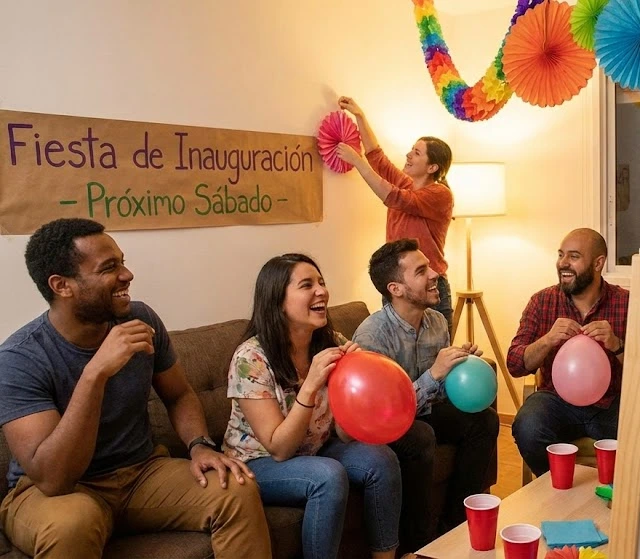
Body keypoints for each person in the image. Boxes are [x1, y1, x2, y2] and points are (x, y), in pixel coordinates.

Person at [0, 218, 271, 559]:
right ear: (62, 285)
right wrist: (94, 373)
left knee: (236, 488)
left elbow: (179, 395)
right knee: (73, 523)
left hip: (140, 473)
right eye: (109, 267)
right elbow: (53, 478)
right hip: (53, 493)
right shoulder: (20, 358)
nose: (127, 275)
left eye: (123, 262)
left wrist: (200, 445)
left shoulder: (139, 319)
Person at [221, 254, 406, 559]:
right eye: (307, 285)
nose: (321, 291)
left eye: (321, 282)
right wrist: (310, 385)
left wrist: (351, 381)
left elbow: (345, 434)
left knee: (381, 459)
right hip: (258, 462)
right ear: (278, 301)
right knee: (328, 475)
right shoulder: (250, 359)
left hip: (314, 447)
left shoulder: (330, 341)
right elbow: (279, 449)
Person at [352, 239, 499, 547]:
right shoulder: (372, 337)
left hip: (424, 411)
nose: (435, 274)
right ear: (396, 288)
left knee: (483, 421)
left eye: (430, 266)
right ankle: (416, 543)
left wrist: (459, 366)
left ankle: (457, 523)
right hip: (385, 425)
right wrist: (434, 374)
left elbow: (442, 392)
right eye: (422, 271)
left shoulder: (435, 321)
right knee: (420, 436)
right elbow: (385, 413)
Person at [508, 228, 629, 476]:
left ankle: (614, 495)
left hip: (612, 404)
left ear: (598, 263)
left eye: (573, 256)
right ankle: (556, 488)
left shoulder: (626, 303)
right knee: (528, 427)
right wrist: (548, 340)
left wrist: (617, 345)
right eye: (561, 255)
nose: (563, 263)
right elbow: (515, 364)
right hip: (556, 402)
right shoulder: (542, 301)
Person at [335, 96, 456, 329]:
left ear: (432, 168)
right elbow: (377, 158)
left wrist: (357, 162)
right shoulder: (407, 184)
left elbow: (393, 196)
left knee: (436, 357)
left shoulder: (440, 194)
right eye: (412, 149)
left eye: (417, 153)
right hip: (398, 285)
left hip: (428, 285)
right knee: (397, 358)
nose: (409, 155)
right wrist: (360, 115)